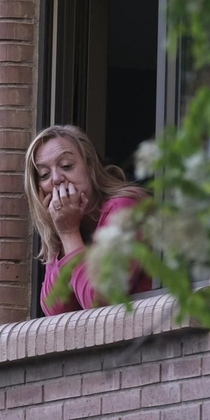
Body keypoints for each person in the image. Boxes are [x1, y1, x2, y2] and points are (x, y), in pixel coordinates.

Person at [24, 125, 153, 315]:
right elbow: (55, 310)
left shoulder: (125, 208)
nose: (57, 179)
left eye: (66, 165)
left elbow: (99, 301)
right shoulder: (66, 227)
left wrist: (68, 232)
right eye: (44, 175)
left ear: (90, 167)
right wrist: (61, 235)